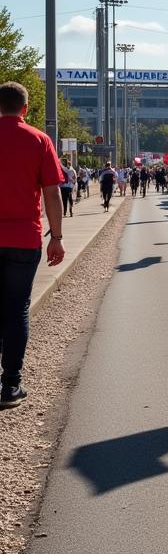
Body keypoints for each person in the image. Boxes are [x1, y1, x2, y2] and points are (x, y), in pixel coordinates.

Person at [0, 81, 65, 410]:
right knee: (16, 309)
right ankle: (11, 385)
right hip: (24, 239)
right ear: (25, 109)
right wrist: (57, 236)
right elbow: (52, 193)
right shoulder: (39, 139)